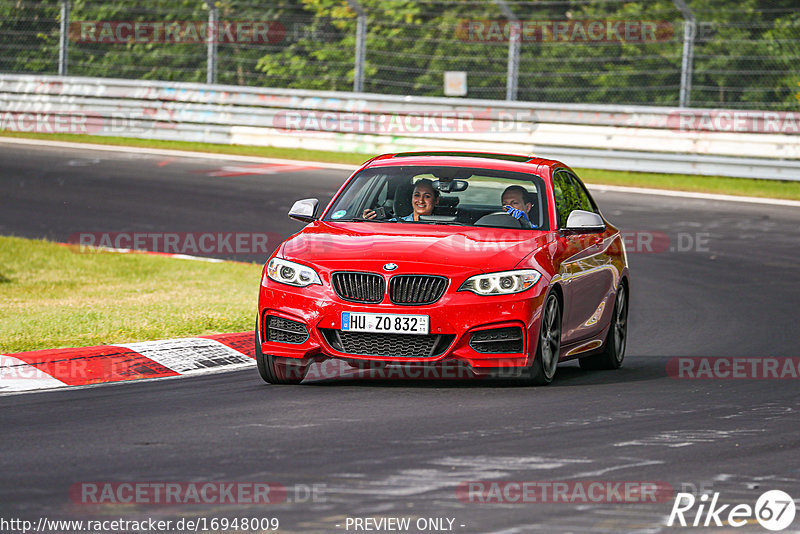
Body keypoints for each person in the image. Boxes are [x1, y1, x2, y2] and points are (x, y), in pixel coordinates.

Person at [363, 179, 440, 222]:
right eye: (417, 195)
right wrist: (366, 222)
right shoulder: (393, 223)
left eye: (427, 196)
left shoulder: (444, 227)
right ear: (412, 198)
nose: (420, 200)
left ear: (436, 200)